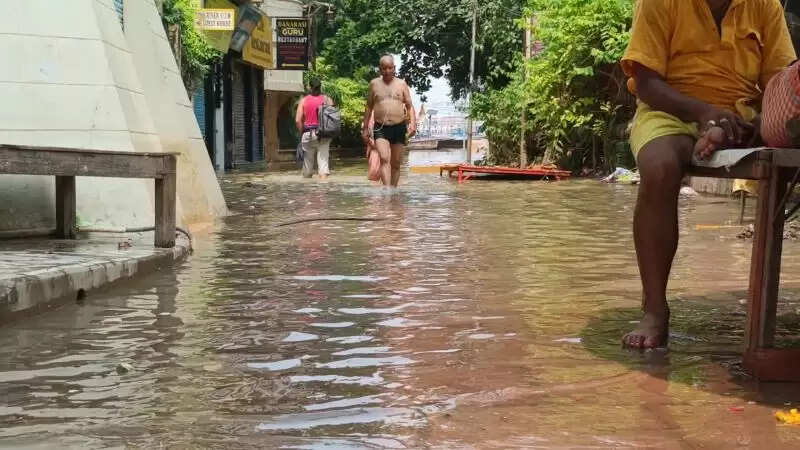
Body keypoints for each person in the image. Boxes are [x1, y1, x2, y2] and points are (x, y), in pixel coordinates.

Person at [620, 0, 796, 348]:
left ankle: (764, 332)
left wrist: (757, 124)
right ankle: (655, 311)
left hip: (739, 117)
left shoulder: (765, 4)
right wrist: (702, 113)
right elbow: (646, 83)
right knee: (658, 167)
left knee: (783, 154)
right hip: (668, 110)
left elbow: (779, 81)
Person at [362, 55, 417, 187]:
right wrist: (365, 128)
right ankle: (387, 191)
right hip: (380, 127)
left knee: (396, 163)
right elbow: (369, 106)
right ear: (380, 69)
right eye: (384, 68)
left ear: (394, 68)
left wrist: (413, 124)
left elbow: (409, 106)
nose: (387, 71)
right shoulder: (374, 84)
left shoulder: (402, 84)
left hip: (399, 127)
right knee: (384, 158)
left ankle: (393, 191)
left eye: (390, 68)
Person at [296, 79, 334, 180]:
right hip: (323, 134)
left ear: (309, 87)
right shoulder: (327, 100)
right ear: (320, 87)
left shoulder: (303, 101)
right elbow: (332, 118)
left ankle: (308, 191)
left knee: (307, 167)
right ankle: (323, 190)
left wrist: (302, 133)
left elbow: (297, 120)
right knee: (323, 166)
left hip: (308, 134)